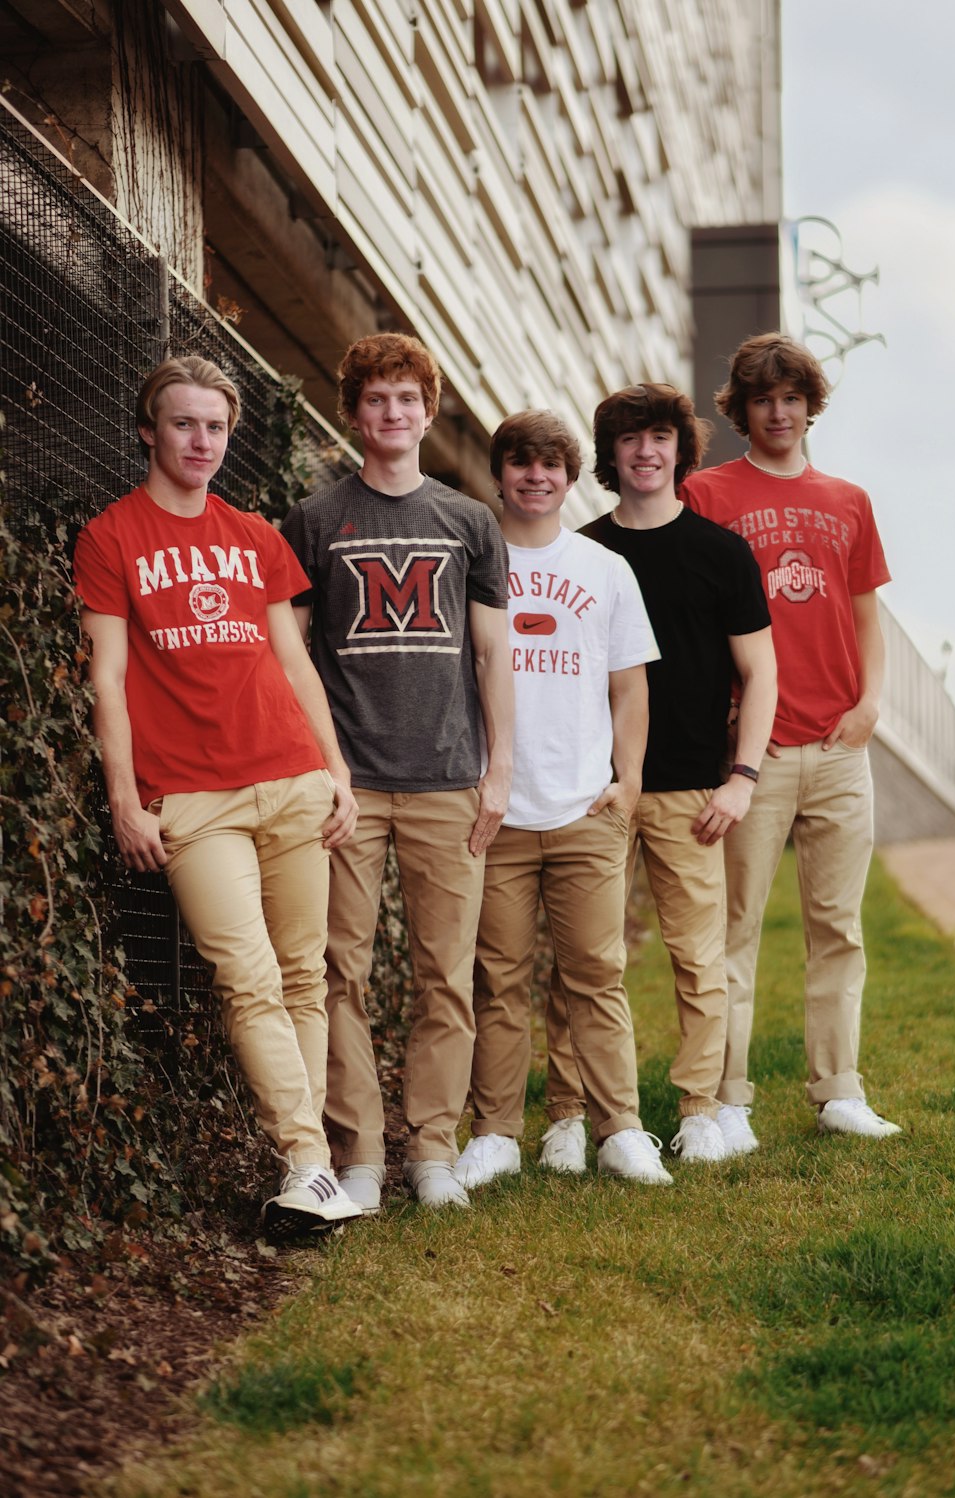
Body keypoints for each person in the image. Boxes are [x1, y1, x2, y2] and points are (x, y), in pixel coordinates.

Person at [74, 355, 364, 1239]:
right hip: (192, 800)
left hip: (290, 777)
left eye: (215, 427)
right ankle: (313, 1163)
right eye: (184, 424)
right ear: (148, 430)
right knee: (248, 978)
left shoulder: (253, 535)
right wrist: (126, 799)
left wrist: (336, 771)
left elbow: (293, 663)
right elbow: (108, 682)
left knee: (306, 975)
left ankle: (305, 1169)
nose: (201, 442)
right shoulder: (111, 537)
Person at [281, 333, 514, 1210]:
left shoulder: (468, 521)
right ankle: (363, 1157)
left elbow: (494, 659)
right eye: (375, 399)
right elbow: (290, 655)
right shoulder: (314, 520)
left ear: (429, 409)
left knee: (444, 975)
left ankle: (434, 1150)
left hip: (449, 778)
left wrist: (499, 774)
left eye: (406, 399)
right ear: (354, 413)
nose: (392, 413)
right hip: (349, 786)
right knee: (339, 969)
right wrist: (318, 769)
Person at [544, 384, 777, 1165]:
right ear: (610, 455)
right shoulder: (578, 553)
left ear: (681, 450)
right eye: (631, 439)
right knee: (584, 958)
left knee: (698, 958)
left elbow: (761, 674)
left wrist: (741, 777)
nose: (646, 451)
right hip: (591, 788)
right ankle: (569, 1117)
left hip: (691, 789)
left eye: (660, 438)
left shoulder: (721, 553)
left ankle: (701, 1110)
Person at [683, 332, 901, 1146]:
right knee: (733, 926)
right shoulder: (707, 494)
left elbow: (867, 616)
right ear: (740, 410)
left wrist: (870, 705)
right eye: (763, 398)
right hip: (755, 753)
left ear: (811, 405)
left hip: (842, 745)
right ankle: (728, 1097)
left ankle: (838, 1088)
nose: (779, 412)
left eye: (792, 397)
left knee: (838, 928)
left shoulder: (849, 500)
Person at [454, 410, 672, 1191]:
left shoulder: (604, 567)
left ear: (570, 477)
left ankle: (620, 1130)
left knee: (594, 976)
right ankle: (497, 1134)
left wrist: (629, 781)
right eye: (521, 463)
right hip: (497, 810)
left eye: (551, 465)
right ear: (499, 472)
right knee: (501, 979)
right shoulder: (471, 561)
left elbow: (628, 686)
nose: (536, 477)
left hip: (585, 809)